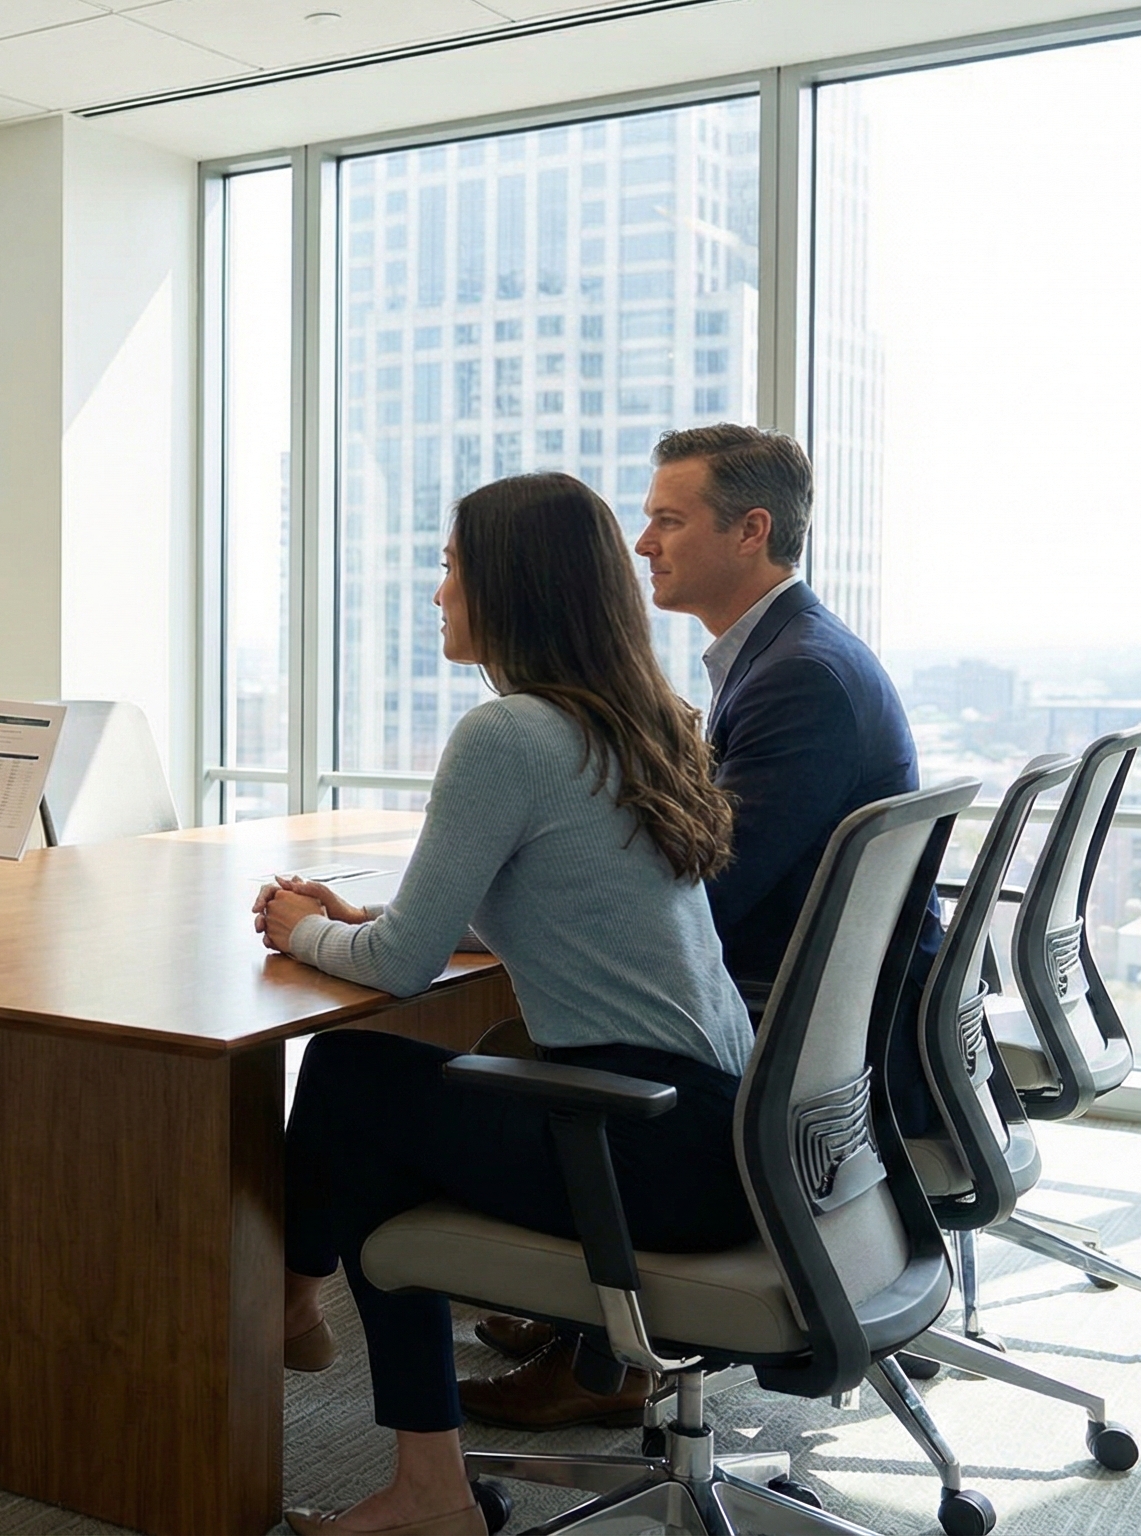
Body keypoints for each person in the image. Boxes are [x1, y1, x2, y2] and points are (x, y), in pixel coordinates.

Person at [260, 472, 757, 1536]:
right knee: (391, 1111)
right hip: (733, 1131)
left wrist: (298, 929)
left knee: (353, 1081)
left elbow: (396, 970)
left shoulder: (508, 734)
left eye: (449, 567)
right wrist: (375, 915)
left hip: (644, 1148)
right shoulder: (645, 720)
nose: (436, 594)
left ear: (510, 588)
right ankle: (332, 1359)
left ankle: (302, 1321)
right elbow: (553, 903)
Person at [457, 423, 938, 1430]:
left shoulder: (798, 677)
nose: (642, 546)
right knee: (551, 1037)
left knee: (544, 1044)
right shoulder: (781, 657)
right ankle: (590, 1322)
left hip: (798, 1042)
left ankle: (606, 1354)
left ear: (750, 531)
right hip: (816, 1028)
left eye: (667, 520)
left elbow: (705, 893)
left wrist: (517, 900)